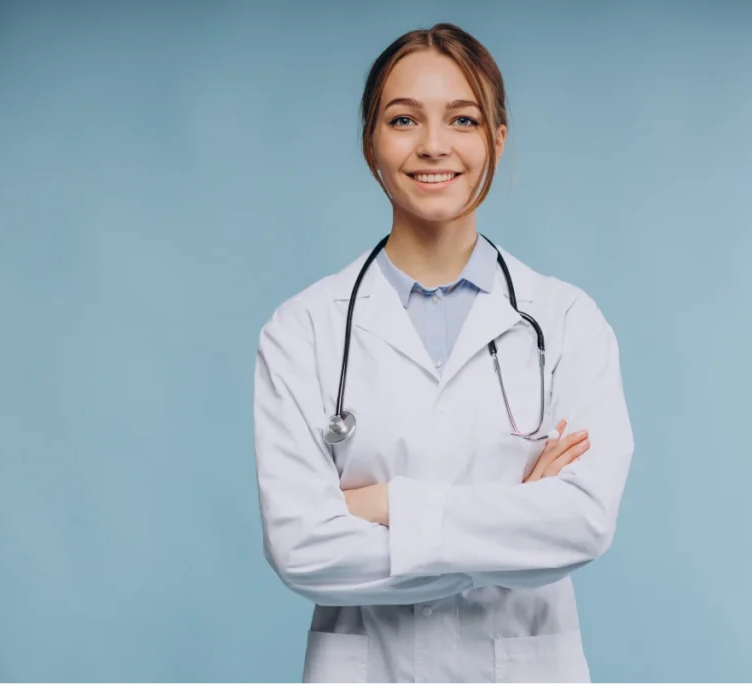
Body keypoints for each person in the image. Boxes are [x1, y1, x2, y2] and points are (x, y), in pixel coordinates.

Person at [254, 22, 635, 684]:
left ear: (497, 138)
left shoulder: (567, 321)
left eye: (462, 119)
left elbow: (582, 523)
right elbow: (300, 547)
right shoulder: (303, 330)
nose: (434, 146)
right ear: (371, 142)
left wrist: (380, 505)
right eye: (404, 120)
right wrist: (515, 513)